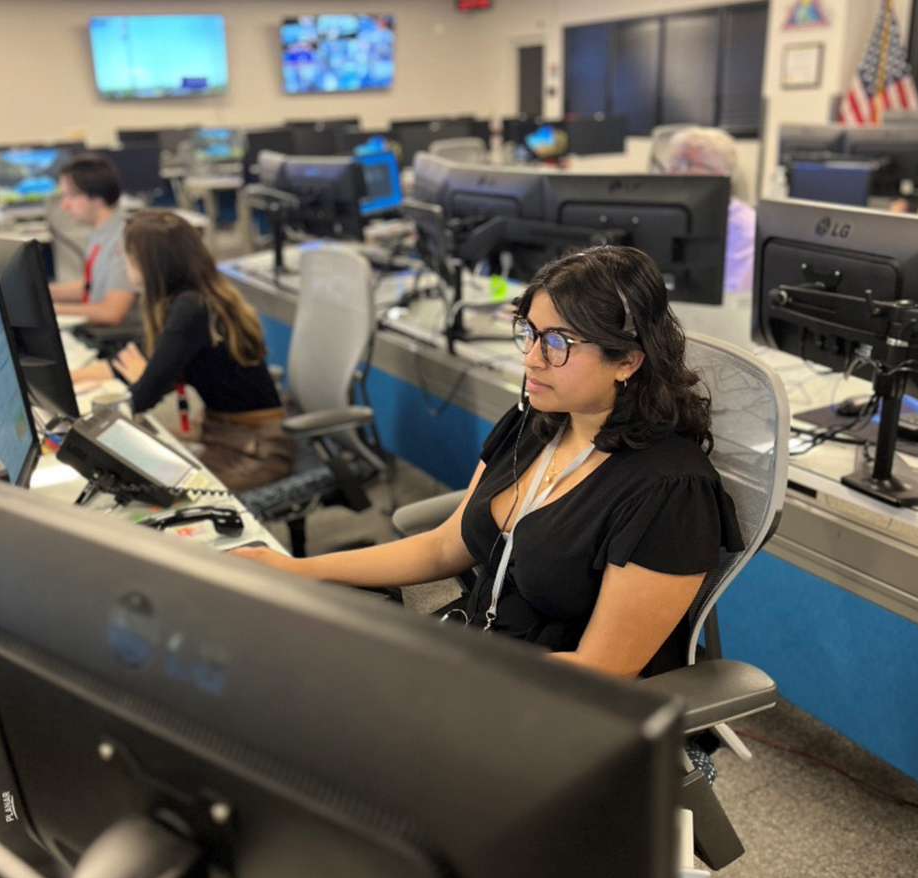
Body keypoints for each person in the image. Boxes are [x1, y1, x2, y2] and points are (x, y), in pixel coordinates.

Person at [235, 244, 744, 680]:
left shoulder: (670, 491)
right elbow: (442, 548)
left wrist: (455, 673)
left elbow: (603, 669)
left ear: (628, 361)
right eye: (529, 332)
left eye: (559, 343)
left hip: (557, 705)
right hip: (480, 650)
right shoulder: (538, 420)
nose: (532, 359)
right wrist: (295, 568)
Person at [72, 209, 294, 491]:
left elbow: (143, 394)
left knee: (153, 494)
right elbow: (132, 361)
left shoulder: (191, 309)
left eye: (126, 256)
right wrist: (69, 378)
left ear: (147, 265)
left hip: (255, 449)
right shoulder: (193, 298)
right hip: (229, 435)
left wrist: (143, 381)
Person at [48, 152, 140, 327]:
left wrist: (51, 309)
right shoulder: (101, 231)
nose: (64, 204)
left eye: (72, 195)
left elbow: (111, 312)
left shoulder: (124, 239)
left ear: (97, 196)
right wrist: (45, 293)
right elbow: (95, 285)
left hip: (117, 339)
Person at [666, 127, 756, 294]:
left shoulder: (745, 228)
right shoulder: (672, 217)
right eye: (671, 163)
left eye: (684, 163)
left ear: (718, 173)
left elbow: (733, 297)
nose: (671, 171)